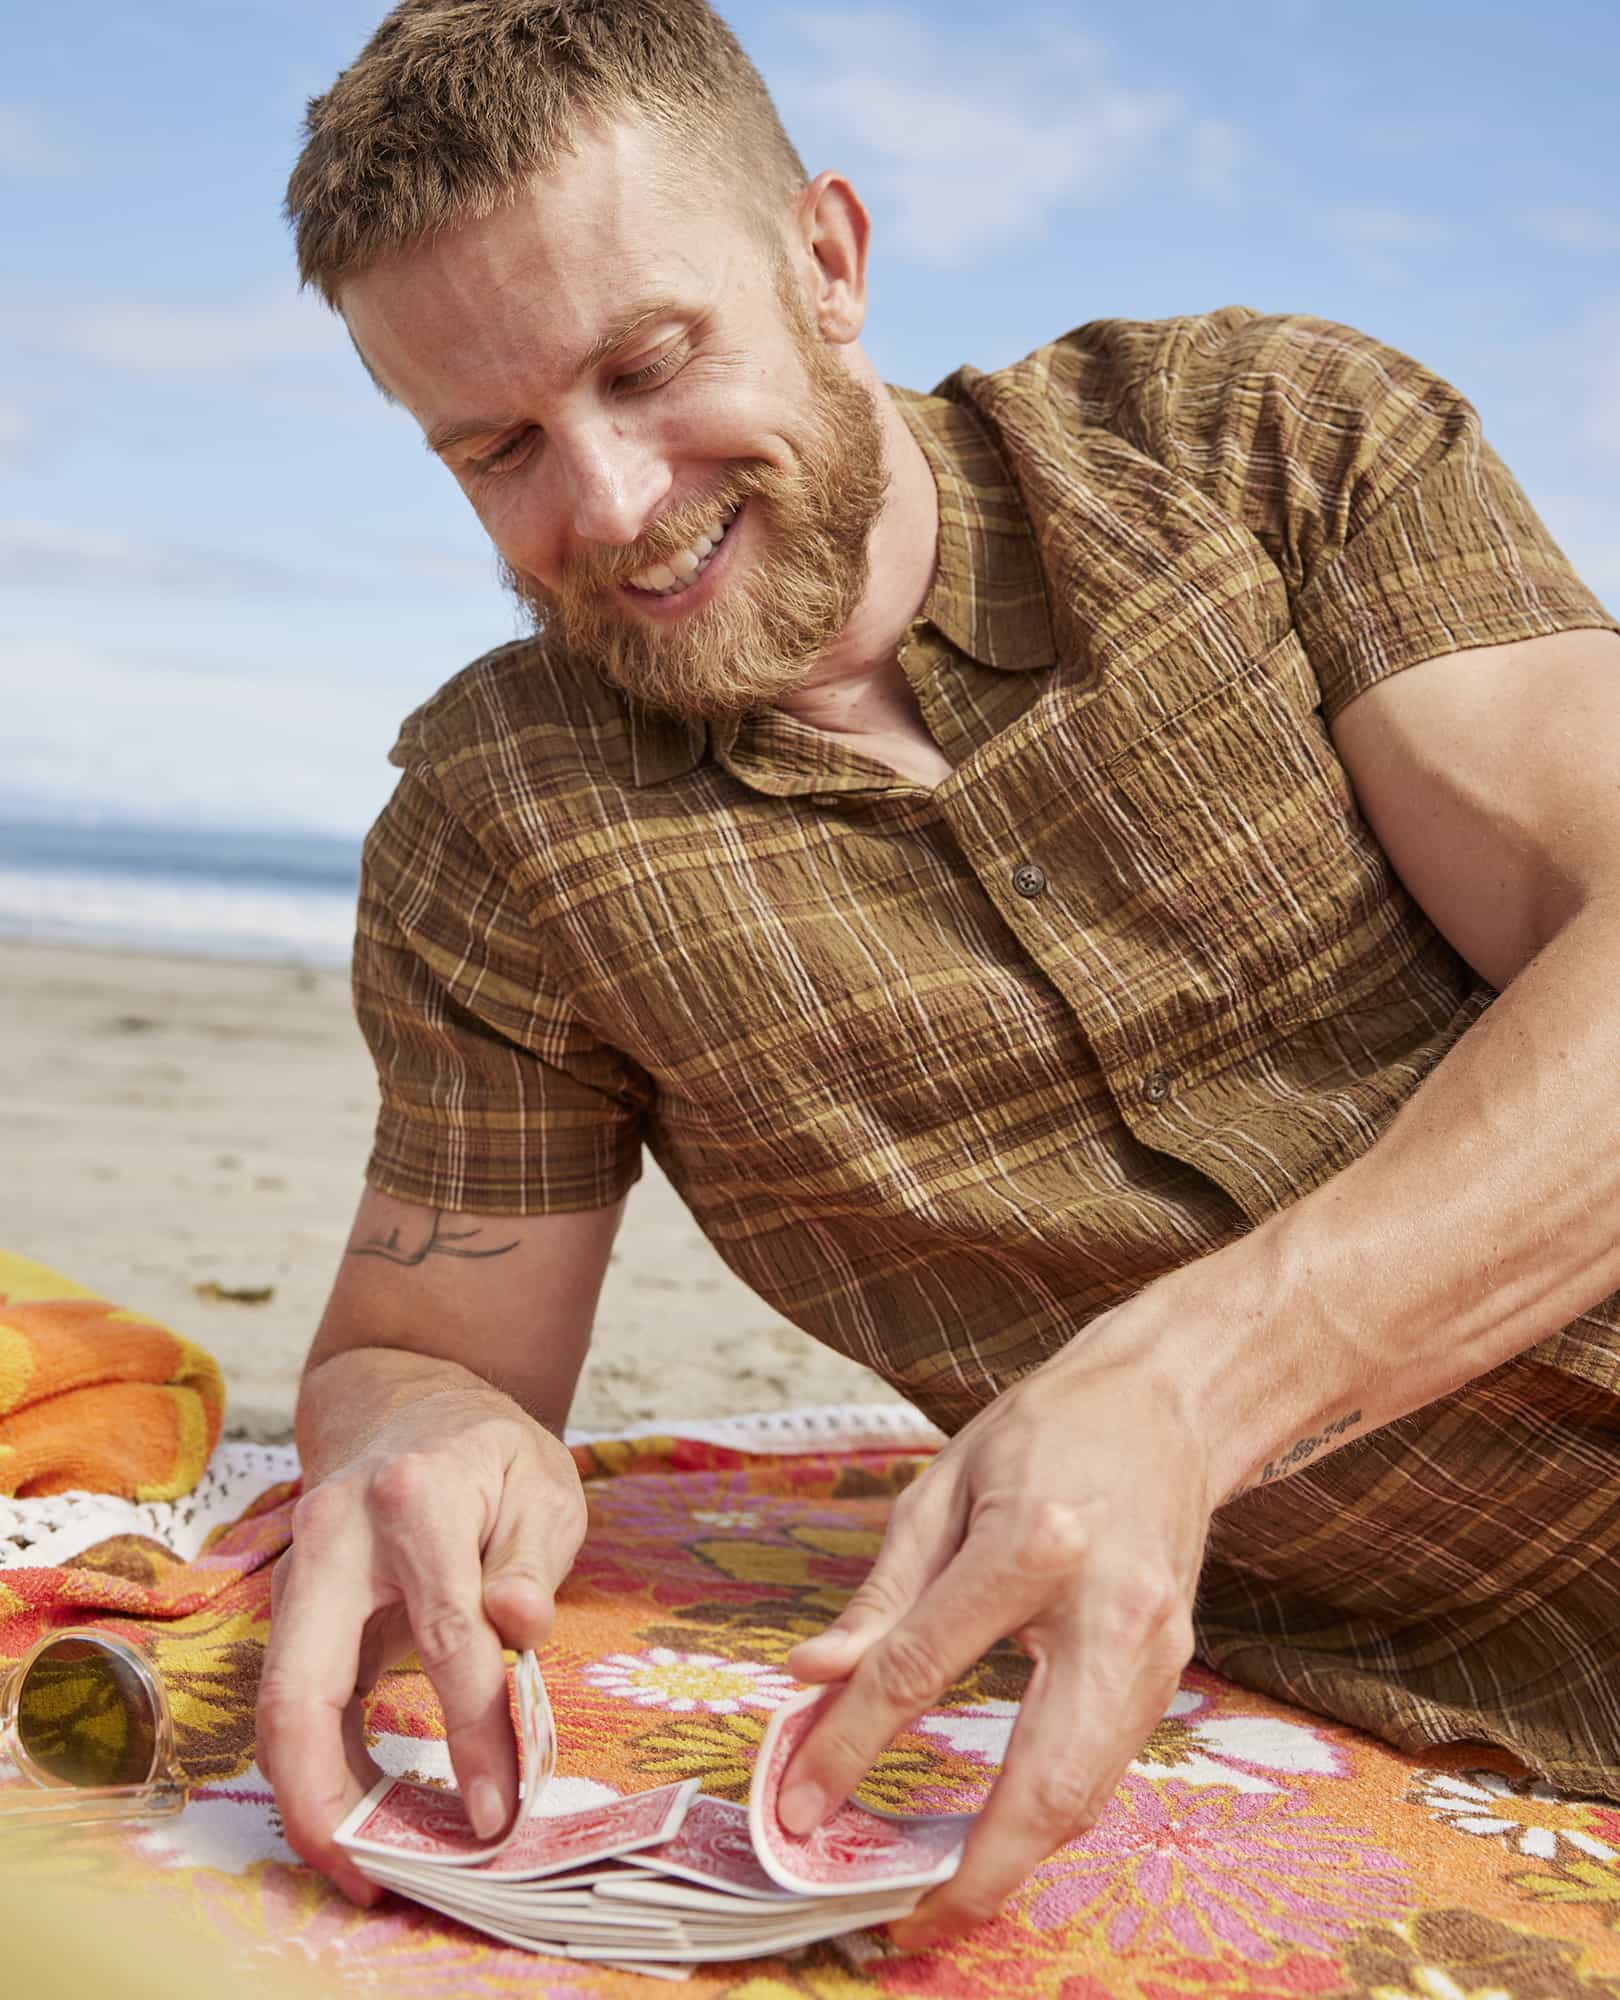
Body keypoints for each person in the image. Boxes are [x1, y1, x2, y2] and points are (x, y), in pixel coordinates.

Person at [258, 0, 1620, 1951]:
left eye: (647, 366)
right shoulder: (499, 832)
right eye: (499, 449)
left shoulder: (1260, 445)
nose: (612, 507)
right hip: (1428, 1724)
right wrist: (421, 1435)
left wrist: (1188, 1390)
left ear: (827, 259)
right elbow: (425, 1354)